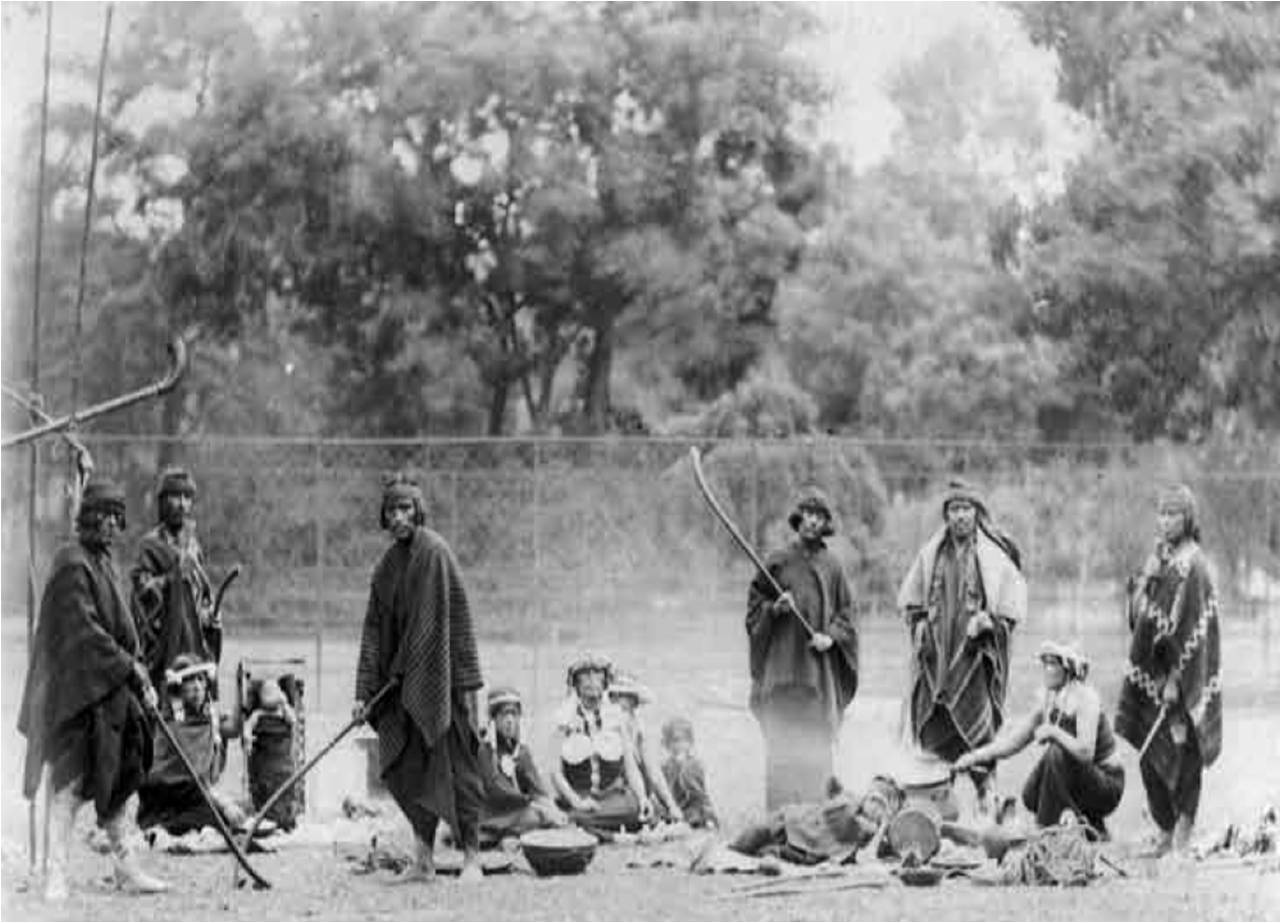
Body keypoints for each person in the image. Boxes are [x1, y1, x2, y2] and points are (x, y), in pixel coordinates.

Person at [17, 478, 168, 900]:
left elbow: (123, 628)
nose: (110, 527)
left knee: (118, 777)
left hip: (108, 693)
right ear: (87, 518)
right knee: (68, 782)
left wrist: (139, 674)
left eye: (116, 520)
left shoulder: (104, 563)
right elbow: (84, 634)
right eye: (103, 518)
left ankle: (125, 866)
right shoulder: (71, 563)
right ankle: (56, 872)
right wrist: (128, 668)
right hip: (74, 696)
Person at [352, 473, 485, 883]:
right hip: (401, 687)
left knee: (458, 770)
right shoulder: (386, 568)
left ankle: (472, 858)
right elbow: (373, 631)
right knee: (408, 767)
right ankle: (424, 859)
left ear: (418, 511)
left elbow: (431, 623)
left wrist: (404, 669)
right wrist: (363, 693)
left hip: (444, 681)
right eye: (391, 510)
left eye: (405, 509)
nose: (398, 518)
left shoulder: (434, 552)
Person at [898, 478, 1026, 811]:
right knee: (935, 732)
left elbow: (1011, 609)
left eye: (966, 508)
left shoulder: (993, 556)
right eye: (954, 509)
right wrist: (921, 624)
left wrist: (988, 622)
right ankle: (939, 803)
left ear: (976, 513)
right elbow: (911, 603)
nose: (960, 516)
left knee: (979, 732)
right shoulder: (931, 554)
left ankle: (988, 800)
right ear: (946, 515)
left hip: (974, 661)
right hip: (937, 662)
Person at [1115, 484, 1222, 856]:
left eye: (1173, 515)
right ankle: (1163, 827)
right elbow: (1141, 616)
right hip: (1150, 675)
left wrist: (1177, 678)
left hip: (1179, 678)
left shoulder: (1195, 565)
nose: (1165, 521)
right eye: (1161, 514)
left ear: (1188, 519)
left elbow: (1194, 631)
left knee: (1185, 752)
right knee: (1149, 750)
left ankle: (1183, 828)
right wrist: (1144, 580)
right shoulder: (1158, 558)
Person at [746, 486, 859, 810]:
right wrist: (774, 610)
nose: (812, 521)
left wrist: (830, 637)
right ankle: (778, 821)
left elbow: (848, 615)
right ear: (799, 518)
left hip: (815, 679)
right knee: (781, 749)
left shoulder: (833, 567)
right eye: (808, 514)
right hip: (781, 676)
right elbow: (755, 609)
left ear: (826, 523)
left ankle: (816, 819)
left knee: (814, 750)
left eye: (820, 516)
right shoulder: (777, 562)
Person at [952, 641, 1125, 837]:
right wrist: (974, 757)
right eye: (1045, 664)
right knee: (1031, 794)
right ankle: (1091, 827)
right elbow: (1012, 743)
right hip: (1084, 778)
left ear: (1068, 669)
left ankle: (1050, 831)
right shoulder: (1049, 699)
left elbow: (1086, 752)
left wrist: (1054, 732)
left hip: (1107, 784)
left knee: (1055, 754)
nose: (1046, 670)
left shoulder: (1085, 698)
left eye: (1053, 664)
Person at [131, 467, 219, 696]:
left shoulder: (192, 543)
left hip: (195, 643)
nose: (182, 504)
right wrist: (172, 579)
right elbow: (141, 595)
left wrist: (208, 614)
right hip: (164, 645)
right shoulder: (149, 545)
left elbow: (200, 590)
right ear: (162, 502)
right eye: (175, 497)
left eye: (187, 498)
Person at [137, 655, 248, 835]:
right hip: (166, 795)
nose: (197, 687)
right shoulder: (174, 720)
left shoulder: (207, 717)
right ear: (178, 689)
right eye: (189, 681)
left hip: (194, 793)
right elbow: (195, 776)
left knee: (236, 812)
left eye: (200, 679)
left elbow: (233, 728)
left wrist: (240, 691)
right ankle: (163, 829)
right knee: (219, 817)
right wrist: (223, 803)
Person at [550, 653, 651, 836]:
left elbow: (630, 767)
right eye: (585, 675)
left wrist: (642, 797)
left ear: (605, 681)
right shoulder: (564, 719)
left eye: (596, 674)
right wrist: (576, 801)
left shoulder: (615, 717)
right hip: (580, 799)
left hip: (613, 798)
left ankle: (593, 829)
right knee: (575, 816)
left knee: (637, 809)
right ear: (576, 684)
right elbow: (555, 773)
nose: (591, 680)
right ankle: (604, 831)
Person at [477, 686, 567, 846]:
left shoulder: (522, 751)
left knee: (545, 817)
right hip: (491, 812)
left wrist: (552, 809)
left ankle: (509, 838)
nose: (510, 721)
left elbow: (537, 787)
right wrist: (537, 807)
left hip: (517, 812)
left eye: (514, 714)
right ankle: (506, 837)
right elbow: (496, 790)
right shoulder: (485, 751)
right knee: (534, 816)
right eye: (504, 714)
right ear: (493, 719)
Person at [610, 671, 684, 824]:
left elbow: (653, 770)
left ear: (634, 703)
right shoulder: (607, 724)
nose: (618, 702)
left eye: (624, 697)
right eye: (614, 697)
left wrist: (670, 805)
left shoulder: (638, 728)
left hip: (636, 789)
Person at [660, 717, 718, 829]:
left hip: (693, 809)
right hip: (673, 809)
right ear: (667, 744)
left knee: (695, 817)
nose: (679, 745)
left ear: (690, 743)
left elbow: (701, 794)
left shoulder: (694, 765)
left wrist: (709, 815)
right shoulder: (665, 766)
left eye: (684, 741)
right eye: (674, 741)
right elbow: (664, 792)